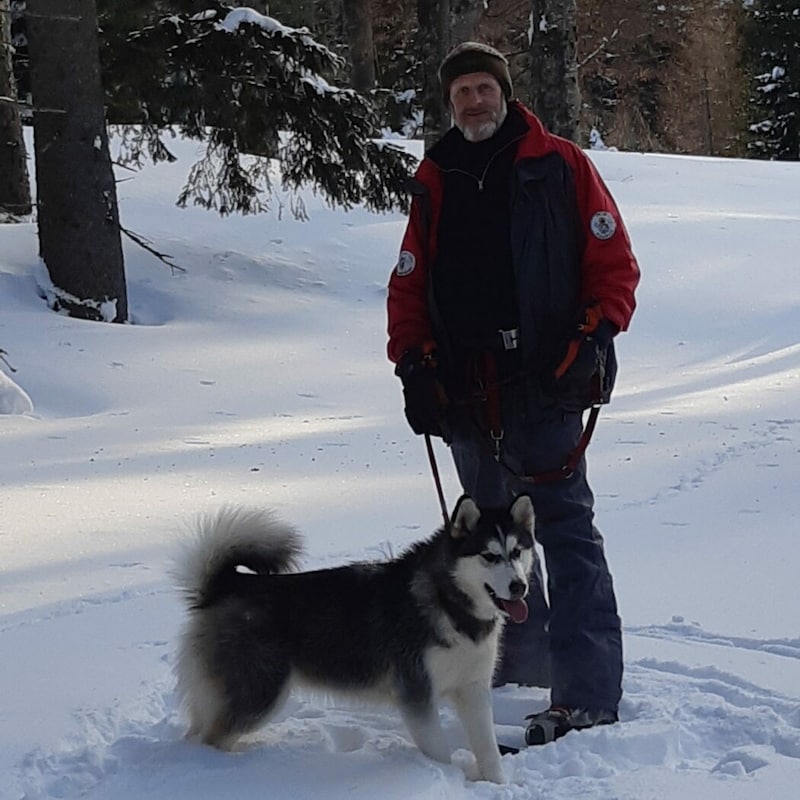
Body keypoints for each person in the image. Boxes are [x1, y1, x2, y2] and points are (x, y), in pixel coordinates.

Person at [386, 41, 640, 746]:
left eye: (484, 89)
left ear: (505, 93)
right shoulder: (434, 180)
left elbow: (615, 266)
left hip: (548, 389)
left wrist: (588, 342)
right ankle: (519, 670)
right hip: (469, 400)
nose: (474, 101)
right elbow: (407, 286)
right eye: (462, 91)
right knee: (492, 546)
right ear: (450, 103)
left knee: (564, 534)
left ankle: (586, 693)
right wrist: (415, 366)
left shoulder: (560, 164)